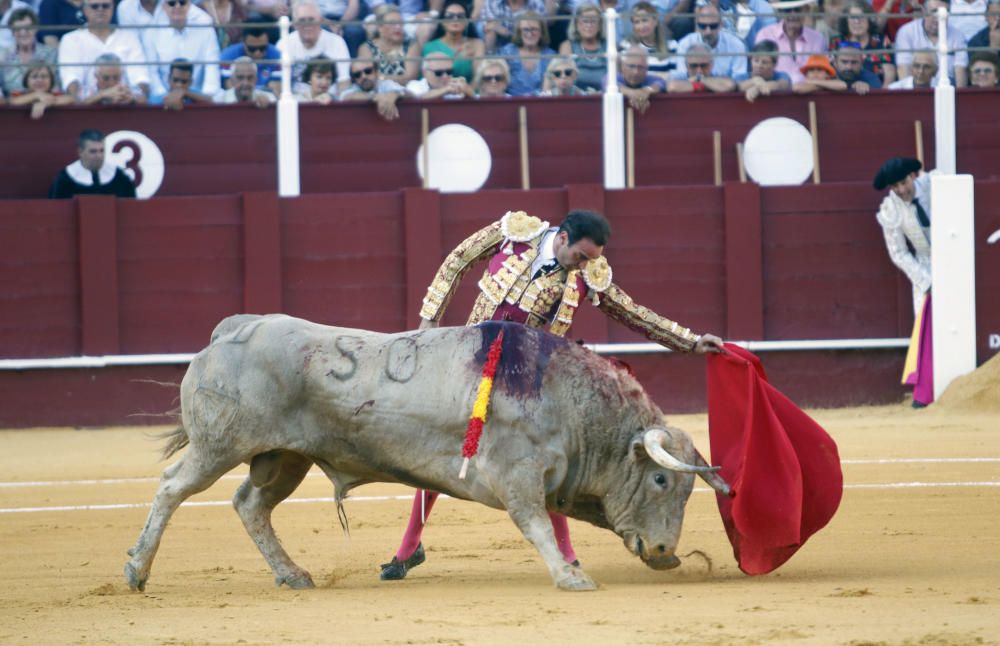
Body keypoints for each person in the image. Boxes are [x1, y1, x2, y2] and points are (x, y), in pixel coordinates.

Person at [378, 209, 726, 581]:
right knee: (442, 446)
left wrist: (689, 342)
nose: (585, 266)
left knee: (545, 458)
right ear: (562, 238)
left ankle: (566, 553)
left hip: (526, 381)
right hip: (470, 363)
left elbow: (633, 313)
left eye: (591, 259)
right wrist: (429, 321)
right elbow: (457, 260)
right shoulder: (514, 233)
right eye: (581, 256)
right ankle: (410, 545)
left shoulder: (586, 276)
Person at [872, 157, 934, 407]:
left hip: (957, 257)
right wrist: (923, 279)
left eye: (903, 183)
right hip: (924, 264)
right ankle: (927, 389)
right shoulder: (891, 208)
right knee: (924, 323)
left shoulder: (936, 185)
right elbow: (898, 252)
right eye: (894, 186)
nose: (901, 190)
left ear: (914, 176)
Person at [57, 0, 150, 101]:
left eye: (105, 6)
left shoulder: (129, 37)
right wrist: (102, 95)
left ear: (112, 8)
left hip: (126, 106)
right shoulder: (71, 40)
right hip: (88, 110)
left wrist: (132, 96)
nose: (100, 10)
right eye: (95, 6)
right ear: (84, 9)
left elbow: (141, 79)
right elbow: (71, 82)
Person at [143, 0, 222, 100]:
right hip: (164, 97)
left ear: (189, 5)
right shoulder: (152, 31)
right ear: (164, 7)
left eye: (182, 2)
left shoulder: (205, 25)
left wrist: (207, 99)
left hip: (197, 96)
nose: (177, 6)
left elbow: (212, 67)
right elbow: (152, 73)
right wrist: (165, 98)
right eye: (171, 3)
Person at [277, 0, 351, 94]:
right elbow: (278, 84)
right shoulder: (283, 45)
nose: (307, 25)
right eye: (302, 20)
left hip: (329, 102)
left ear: (320, 20)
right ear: (295, 24)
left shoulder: (337, 43)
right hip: (296, 102)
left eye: (311, 19)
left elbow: (344, 82)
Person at [894, 0, 969, 88]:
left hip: (948, 88)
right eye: (934, 11)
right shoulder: (906, 32)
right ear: (924, 12)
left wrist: (958, 97)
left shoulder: (958, 36)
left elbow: (961, 71)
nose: (939, 17)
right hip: (916, 87)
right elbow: (904, 69)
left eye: (944, 13)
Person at [752, 0, 827, 84]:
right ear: (780, 12)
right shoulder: (765, 34)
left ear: (806, 10)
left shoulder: (818, 38)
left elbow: (824, 72)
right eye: (787, 10)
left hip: (810, 93)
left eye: (797, 10)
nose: (793, 14)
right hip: (775, 93)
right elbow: (758, 70)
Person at [49, 129, 137, 199]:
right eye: (93, 151)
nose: (99, 156)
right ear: (80, 152)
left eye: (102, 151)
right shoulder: (65, 179)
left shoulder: (119, 177)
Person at [674, 3, 748, 79]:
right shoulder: (685, 44)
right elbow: (682, 79)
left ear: (721, 24)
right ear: (696, 24)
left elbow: (739, 81)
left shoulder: (736, 45)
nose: (708, 31)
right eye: (703, 26)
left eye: (713, 26)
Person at [831, 0, 896, 85]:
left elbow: (889, 75)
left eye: (861, 17)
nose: (857, 21)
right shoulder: (836, 41)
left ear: (869, 19)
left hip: (875, 92)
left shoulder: (880, 41)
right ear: (846, 20)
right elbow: (830, 71)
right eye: (852, 17)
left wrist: (882, 97)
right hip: (840, 92)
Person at [357, 4, 422, 85]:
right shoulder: (366, 48)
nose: (398, 27)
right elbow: (367, 77)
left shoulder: (411, 45)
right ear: (380, 27)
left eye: (400, 23)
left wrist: (380, 78)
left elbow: (410, 77)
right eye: (392, 23)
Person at [0, 8, 59, 97]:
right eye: (18, 29)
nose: (23, 33)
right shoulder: (2, 56)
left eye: (28, 28)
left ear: (35, 29)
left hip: (45, 106)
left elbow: (56, 88)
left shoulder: (50, 54)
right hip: (12, 107)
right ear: (12, 32)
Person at [422, 2, 486, 82]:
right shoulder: (430, 47)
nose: (455, 19)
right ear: (442, 22)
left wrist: (468, 92)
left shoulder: (477, 44)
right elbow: (428, 79)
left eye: (460, 16)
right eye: (450, 16)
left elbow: (478, 78)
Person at [499, 10, 555, 95]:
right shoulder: (506, 53)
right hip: (510, 103)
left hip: (540, 103)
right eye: (525, 29)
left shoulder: (550, 56)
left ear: (541, 32)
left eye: (534, 29)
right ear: (519, 32)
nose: (530, 33)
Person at [220, 23, 283, 95]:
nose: (257, 53)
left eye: (262, 48)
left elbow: (275, 91)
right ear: (243, 43)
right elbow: (231, 90)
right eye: (252, 49)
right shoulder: (228, 56)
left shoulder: (276, 56)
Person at [558, 3, 607, 92]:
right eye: (585, 21)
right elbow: (564, 79)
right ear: (577, 25)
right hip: (576, 98)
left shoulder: (609, 46)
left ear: (600, 25)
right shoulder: (567, 46)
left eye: (593, 21)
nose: (589, 25)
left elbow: (616, 79)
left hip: (604, 97)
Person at [622, 1, 676, 79]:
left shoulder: (672, 46)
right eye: (637, 22)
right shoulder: (626, 46)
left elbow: (675, 76)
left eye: (644, 20)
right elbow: (626, 76)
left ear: (655, 21)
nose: (641, 26)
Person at [340, 56, 406, 119]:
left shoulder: (385, 84)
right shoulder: (354, 88)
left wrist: (394, 95)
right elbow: (345, 97)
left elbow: (410, 93)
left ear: (376, 72)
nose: (364, 76)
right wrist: (374, 96)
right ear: (354, 79)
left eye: (368, 71)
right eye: (357, 74)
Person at [7, 60, 73, 119]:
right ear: (26, 80)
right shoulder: (20, 94)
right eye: (34, 76)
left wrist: (46, 103)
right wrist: (36, 95)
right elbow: (12, 101)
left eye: (44, 76)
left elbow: (70, 99)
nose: (39, 80)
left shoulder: (55, 94)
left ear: (51, 80)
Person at [612, 44, 665, 112]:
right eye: (631, 66)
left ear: (646, 68)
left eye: (640, 67)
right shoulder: (616, 78)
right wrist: (631, 93)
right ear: (623, 66)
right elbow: (607, 83)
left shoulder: (649, 79)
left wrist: (647, 90)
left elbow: (661, 83)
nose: (636, 72)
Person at [481, 0, 548, 54]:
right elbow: (488, 27)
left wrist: (505, 32)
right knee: (489, 31)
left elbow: (540, 33)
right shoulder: (491, 2)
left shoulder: (536, 4)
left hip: (526, 45)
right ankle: (491, 60)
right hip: (499, 45)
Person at [667, 42, 738, 92]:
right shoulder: (678, 77)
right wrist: (712, 86)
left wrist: (699, 79)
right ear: (686, 65)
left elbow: (730, 85)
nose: (699, 70)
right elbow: (672, 87)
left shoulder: (718, 76)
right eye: (693, 66)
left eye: (704, 66)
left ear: (712, 64)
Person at [80, 52, 146, 104]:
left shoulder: (126, 89)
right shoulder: (88, 90)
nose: (111, 83)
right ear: (96, 76)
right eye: (106, 78)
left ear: (121, 74)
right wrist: (102, 95)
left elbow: (144, 99)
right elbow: (78, 104)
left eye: (116, 77)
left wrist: (132, 98)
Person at [213, 56, 277, 106]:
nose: (245, 83)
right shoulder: (219, 101)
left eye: (250, 78)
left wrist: (267, 106)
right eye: (240, 78)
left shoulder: (269, 99)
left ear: (256, 79)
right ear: (232, 80)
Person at [406, 51, 474, 97]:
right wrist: (446, 90)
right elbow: (417, 98)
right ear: (425, 73)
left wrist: (468, 92)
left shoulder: (455, 87)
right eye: (439, 73)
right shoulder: (415, 85)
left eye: (449, 72)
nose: (445, 76)